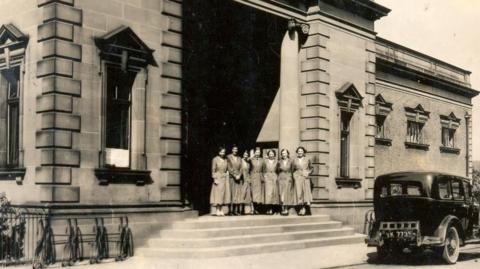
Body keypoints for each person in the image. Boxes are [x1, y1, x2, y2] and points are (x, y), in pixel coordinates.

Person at [292, 146, 313, 216]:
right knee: (299, 193)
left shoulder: (307, 159)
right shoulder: (294, 160)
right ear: (297, 152)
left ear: (304, 152)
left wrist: (308, 173)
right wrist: (295, 176)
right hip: (298, 178)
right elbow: (293, 169)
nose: (300, 152)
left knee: (305, 193)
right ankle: (300, 207)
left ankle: (303, 209)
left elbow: (312, 168)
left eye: (301, 151)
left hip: (305, 178)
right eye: (298, 151)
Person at [210, 146, 230, 216]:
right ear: (219, 152)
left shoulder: (226, 160)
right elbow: (213, 170)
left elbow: (227, 168)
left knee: (223, 194)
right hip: (218, 177)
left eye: (224, 152)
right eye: (221, 152)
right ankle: (217, 210)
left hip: (224, 178)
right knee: (218, 194)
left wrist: (227, 173)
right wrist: (214, 178)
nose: (223, 153)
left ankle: (221, 209)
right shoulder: (215, 159)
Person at [278, 149, 296, 216]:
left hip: (288, 178)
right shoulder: (279, 162)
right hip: (281, 178)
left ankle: (286, 208)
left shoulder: (291, 161)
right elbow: (277, 170)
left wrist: (291, 177)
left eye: (285, 153)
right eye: (282, 153)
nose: (284, 154)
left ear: (287, 154)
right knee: (281, 193)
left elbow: (293, 170)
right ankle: (282, 207)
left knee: (286, 193)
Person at [227, 145, 242, 215]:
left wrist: (239, 175)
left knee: (237, 194)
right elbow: (229, 167)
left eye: (236, 149)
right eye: (234, 149)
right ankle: (230, 210)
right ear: (232, 150)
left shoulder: (239, 158)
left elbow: (241, 168)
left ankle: (236, 210)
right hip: (232, 178)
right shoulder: (228, 157)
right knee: (231, 193)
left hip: (238, 178)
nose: (235, 150)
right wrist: (235, 175)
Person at [264, 149, 279, 215]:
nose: (271, 155)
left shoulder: (277, 162)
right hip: (267, 178)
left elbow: (278, 170)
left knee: (274, 193)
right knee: (268, 194)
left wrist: (277, 177)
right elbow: (263, 170)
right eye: (270, 154)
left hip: (274, 177)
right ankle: (268, 208)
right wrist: (265, 176)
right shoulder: (265, 161)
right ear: (268, 155)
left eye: (272, 154)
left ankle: (273, 209)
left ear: (274, 155)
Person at [250, 147, 265, 214]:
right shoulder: (251, 159)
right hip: (253, 176)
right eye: (256, 152)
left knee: (259, 194)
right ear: (254, 153)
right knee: (253, 192)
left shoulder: (262, 160)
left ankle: (257, 209)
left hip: (260, 177)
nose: (257, 153)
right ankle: (252, 209)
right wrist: (251, 156)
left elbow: (264, 169)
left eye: (259, 152)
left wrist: (263, 177)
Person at [240, 150, 253, 215]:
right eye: (245, 155)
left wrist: (249, 179)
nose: (246, 156)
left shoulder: (248, 163)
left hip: (247, 179)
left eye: (247, 155)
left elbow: (249, 171)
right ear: (242, 155)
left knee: (248, 194)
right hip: (242, 180)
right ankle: (240, 209)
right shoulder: (240, 161)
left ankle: (247, 210)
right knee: (242, 194)